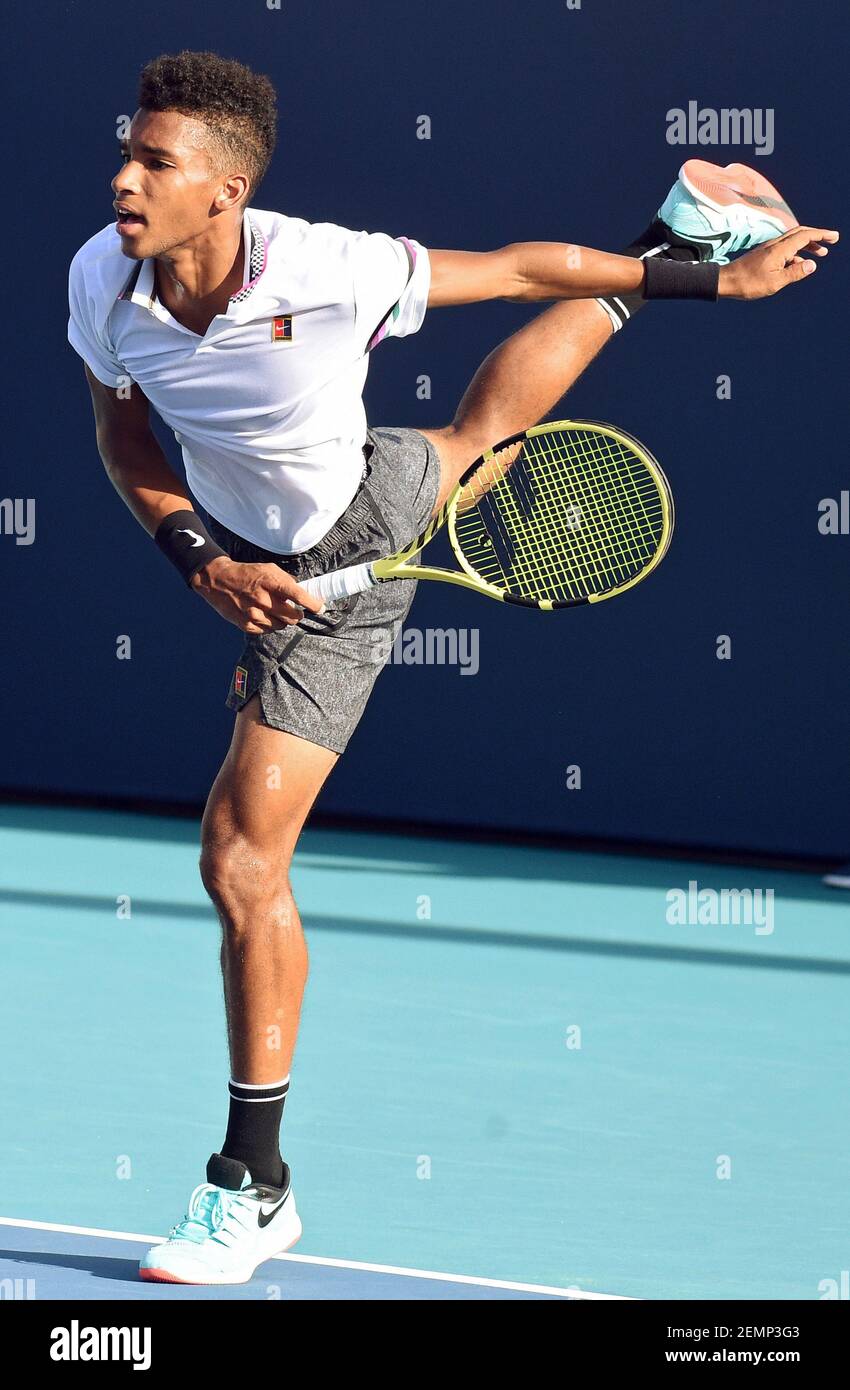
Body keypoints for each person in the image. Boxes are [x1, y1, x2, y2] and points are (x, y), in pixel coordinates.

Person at [67, 49, 837, 1284]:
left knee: (237, 856)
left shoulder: (327, 268)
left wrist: (717, 284)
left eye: (156, 161)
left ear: (229, 189)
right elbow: (121, 436)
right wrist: (200, 560)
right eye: (128, 149)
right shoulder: (102, 279)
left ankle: (252, 1185)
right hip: (255, 551)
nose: (123, 177)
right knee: (478, 439)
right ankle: (679, 220)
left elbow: (526, 269)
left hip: (359, 528)